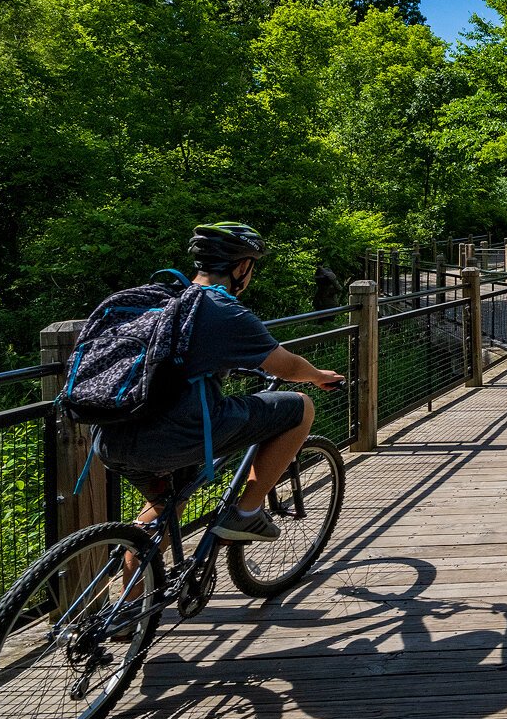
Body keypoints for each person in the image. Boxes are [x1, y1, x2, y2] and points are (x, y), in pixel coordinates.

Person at [94, 222, 344, 542]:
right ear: (242, 267)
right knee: (300, 408)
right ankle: (246, 514)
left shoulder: (166, 300)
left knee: (164, 509)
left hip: (111, 436)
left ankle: (136, 592)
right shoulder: (222, 309)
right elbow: (286, 367)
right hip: (173, 438)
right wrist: (319, 376)